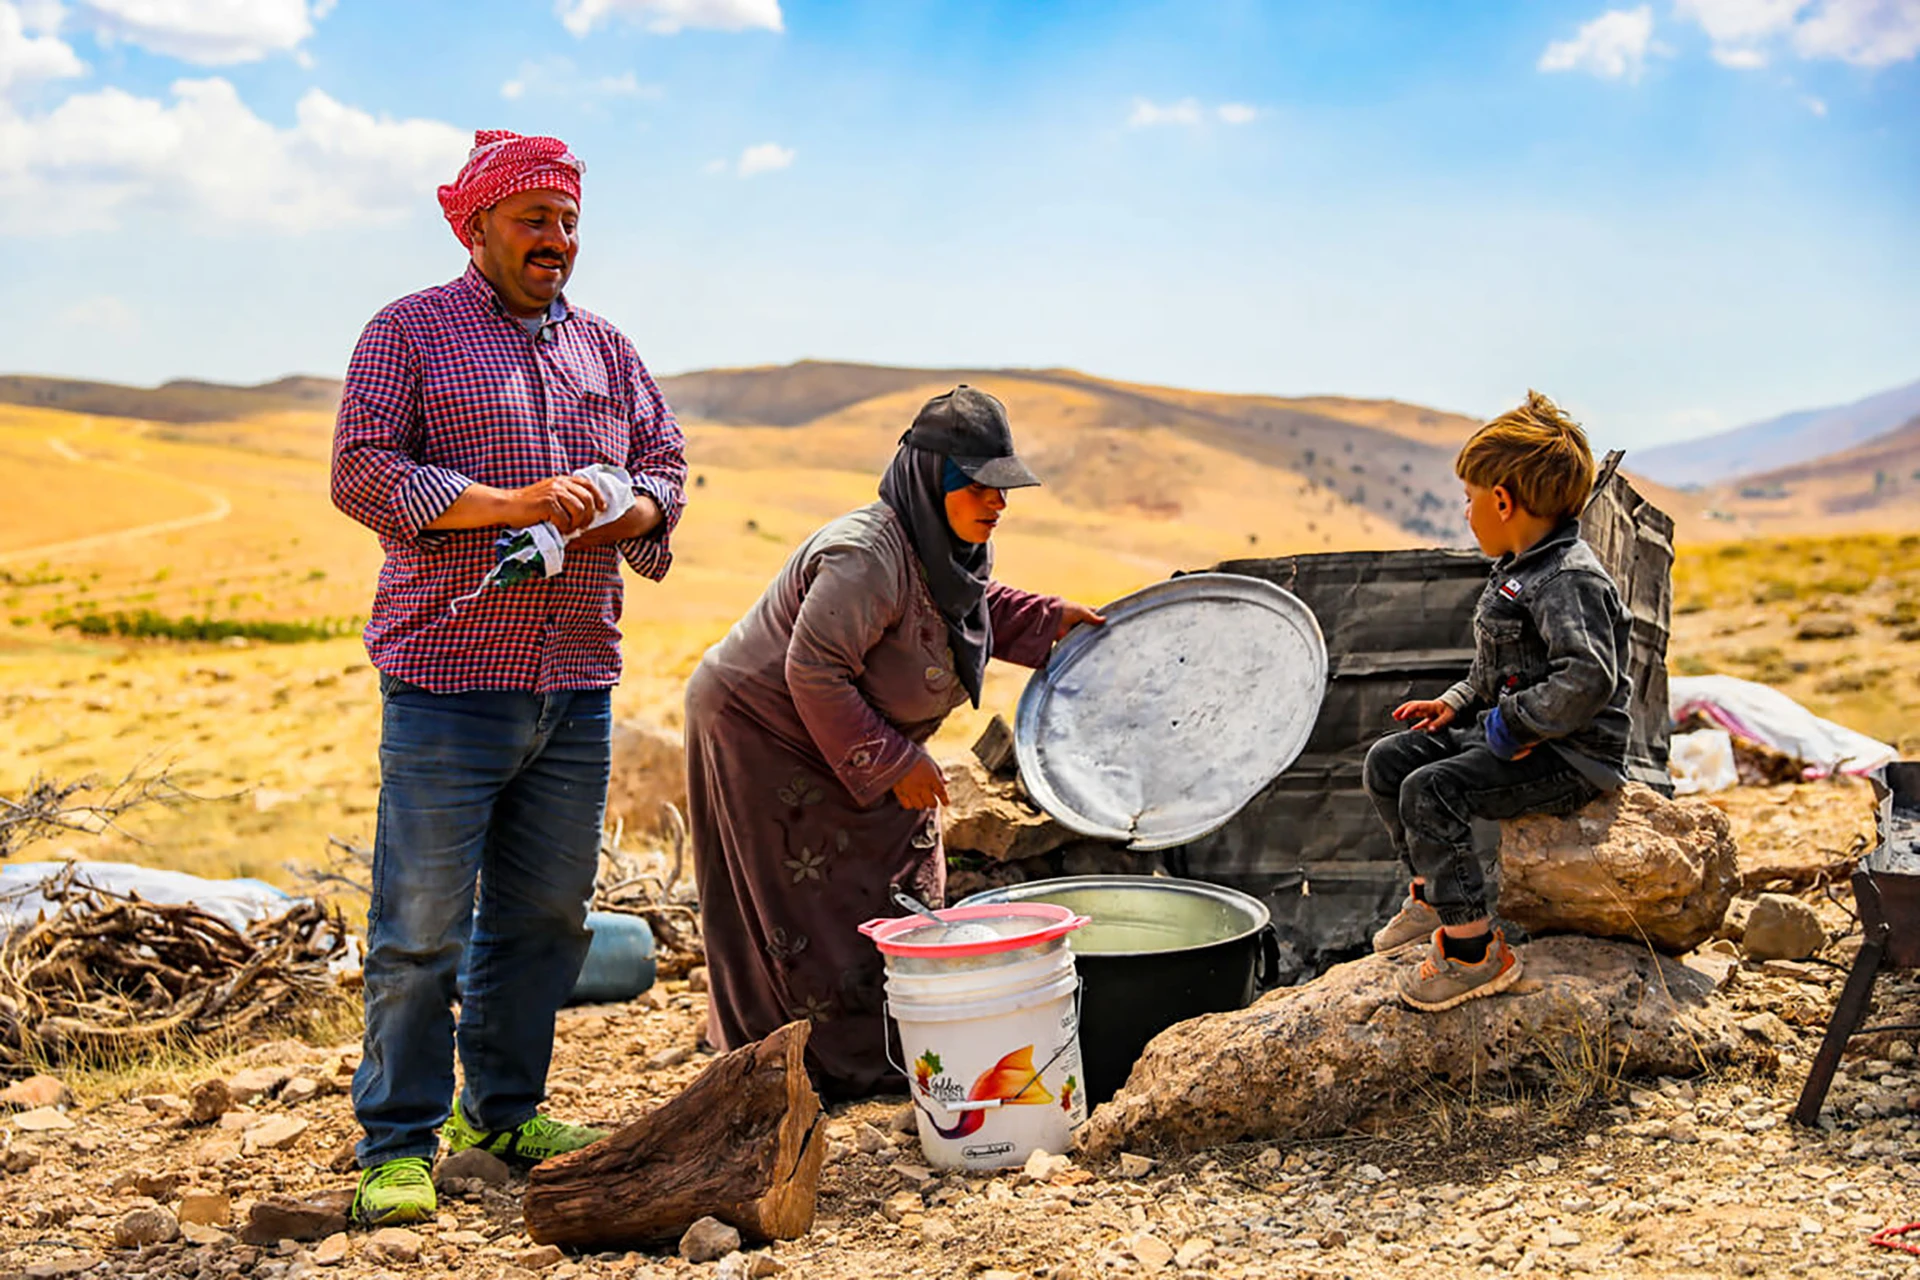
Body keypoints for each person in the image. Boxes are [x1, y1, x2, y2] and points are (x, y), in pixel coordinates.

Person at [330, 129, 688, 1225]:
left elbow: (666, 473)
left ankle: (502, 1111)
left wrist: (620, 505)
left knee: (544, 916)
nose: (557, 240)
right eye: (534, 220)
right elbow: (360, 468)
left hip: (575, 679)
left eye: (570, 221)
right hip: (448, 677)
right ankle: (395, 1141)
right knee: (422, 921)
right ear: (475, 224)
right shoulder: (410, 332)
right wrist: (513, 501)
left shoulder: (609, 351)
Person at [685, 385, 1104, 1097]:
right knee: (791, 903)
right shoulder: (865, 558)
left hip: (832, 726)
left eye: (1003, 486)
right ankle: (788, 1067)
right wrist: (892, 760)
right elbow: (812, 670)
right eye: (978, 486)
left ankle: (879, 1044)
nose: (996, 502)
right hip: (759, 728)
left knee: (885, 869)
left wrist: (1047, 619)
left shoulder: (949, 547)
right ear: (931, 481)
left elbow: (966, 606)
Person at [1362, 390, 1631, 1012]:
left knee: (1429, 791)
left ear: (1503, 501)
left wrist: (1511, 727)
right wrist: (1455, 704)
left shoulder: (1568, 578)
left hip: (1569, 758)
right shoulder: (1518, 568)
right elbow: (1495, 668)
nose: (1466, 512)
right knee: (1389, 762)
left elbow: (1586, 679)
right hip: (1512, 733)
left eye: (1469, 499)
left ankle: (1472, 951)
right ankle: (1433, 894)